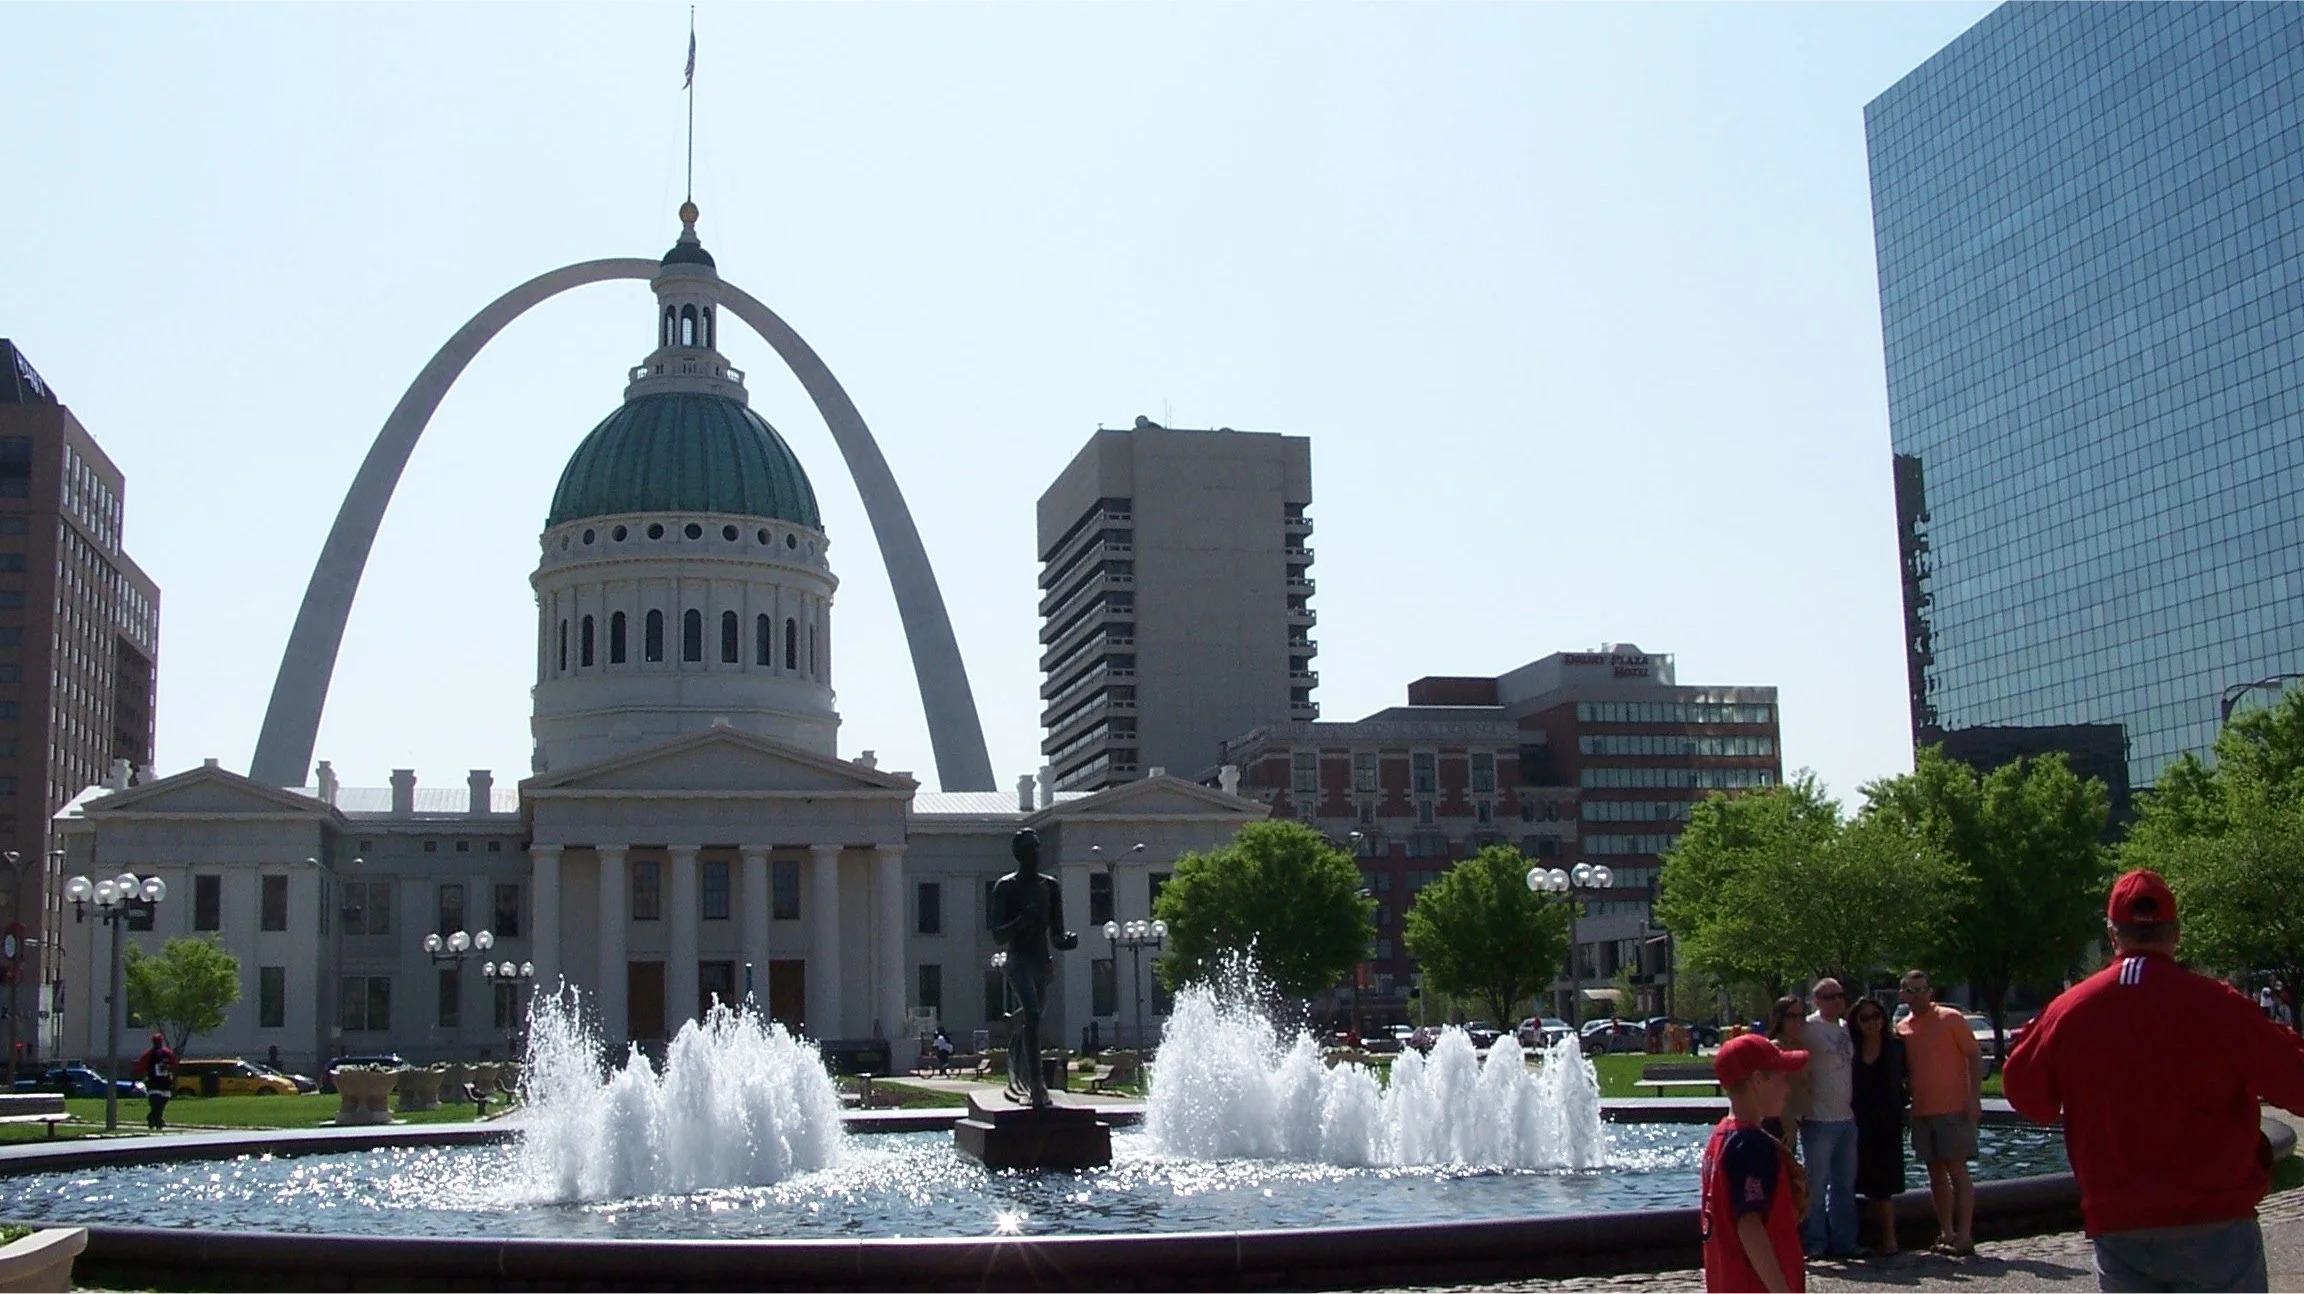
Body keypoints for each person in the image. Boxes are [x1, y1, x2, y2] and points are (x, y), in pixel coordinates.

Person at [2005, 869, 2304, 1292]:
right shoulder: (2218, 1004)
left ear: (2112, 934)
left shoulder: (2070, 1010)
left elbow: (2028, 1097)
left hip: (2121, 1224)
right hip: (2215, 1220)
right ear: (2176, 934)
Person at [1702, 1033, 1810, 1292]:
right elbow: (1750, 1227)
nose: (1787, 1087)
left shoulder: (1721, 1135)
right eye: (1781, 1076)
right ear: (1758, 1080)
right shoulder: (1750, 1144)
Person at [988, 827, 1079, 1107]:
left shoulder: (1050, 887)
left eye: (1037, 847)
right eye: (1029, 849)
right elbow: (998, 935)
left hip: (1041, 962)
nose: (1035, 853)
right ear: (1018, 854)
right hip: (1018, 961)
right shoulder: (1005, 887)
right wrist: (1021, 921)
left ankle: (1014, 1027)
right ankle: (1037, 1086)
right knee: (1033, 1012)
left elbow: (1057, 934)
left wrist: (1067, 941)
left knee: (1033, 1016)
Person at [1896, 968, 1982, 1256]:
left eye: (1924, 989)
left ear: (1930, 991)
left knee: (1957, 1170)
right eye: (1913, 990)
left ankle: (1965, 1235)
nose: (1919, 995)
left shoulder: (1951, 1018)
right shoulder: (1903, 1028)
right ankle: (1946, 1232)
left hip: (1954, 1108)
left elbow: (1973, 1054)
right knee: (1934, 1173)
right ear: (1903, 994)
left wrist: (1974, 1098)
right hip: (1922, 1111)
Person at [1795, 978, 1859, 1259]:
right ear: (1816, 1000)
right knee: (1816, 1185)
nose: (1837, 1001)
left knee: (1844, 1185)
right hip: (1818, 1120)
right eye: (1830, 997)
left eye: (1840, 996)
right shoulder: (1808, 1028)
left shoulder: (1845, 1027)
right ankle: (1815, 1242)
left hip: (1846, 1118)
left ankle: (1845, 1242)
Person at [1848, 994, 1909, 1255]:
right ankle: (1859, 1237)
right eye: (1865, 1018)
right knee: (1856, 1180)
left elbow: (1908, 1079)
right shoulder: (1851, 1047)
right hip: (1857, 1121)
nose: (1872, 1022)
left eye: (1876, 1016)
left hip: (1886, 1123)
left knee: (1883, 1185)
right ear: (1856, 1022)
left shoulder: (1895, 1047)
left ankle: (1890, 1239)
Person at [1762, 996, 1810, 1147]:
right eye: (1792, 1016)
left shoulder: (1800, 1044)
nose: (1798, 1020)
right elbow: (1775, 1089)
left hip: (1797, 1118)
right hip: (1779, 1120)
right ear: (1780, 1019)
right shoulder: (1776, 1047)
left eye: (1801, 1015)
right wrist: (1789, 1124)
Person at [133, 1031, 175, 1131]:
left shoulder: (164, 1053)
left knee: (159, 1105)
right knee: (157, 1104)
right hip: (157, 1084)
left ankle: (153, 1118)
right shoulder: (153, 1054)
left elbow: (173, 1064)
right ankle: (158, 1121)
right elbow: (141, 1066)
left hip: (162, 1083)